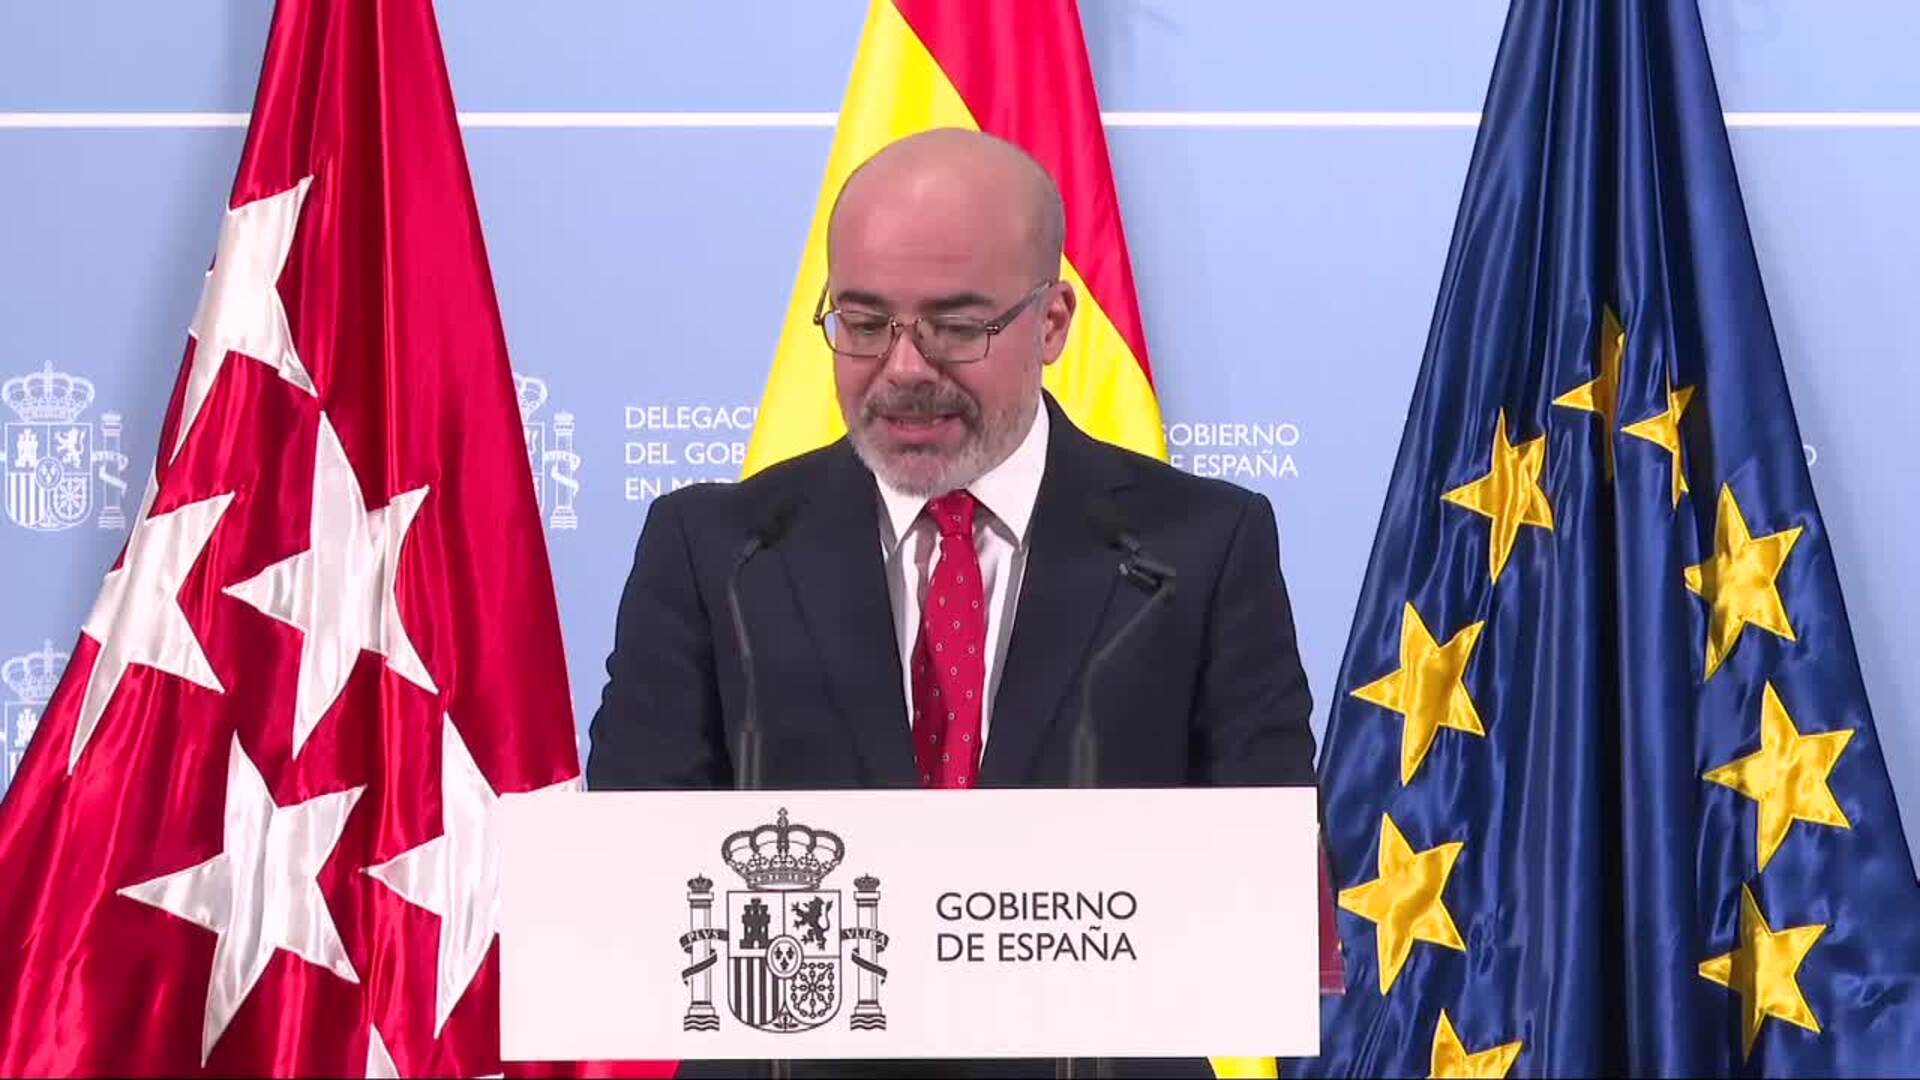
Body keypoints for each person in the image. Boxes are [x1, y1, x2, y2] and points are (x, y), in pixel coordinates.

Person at [588, 129, 1317, 1077]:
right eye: (864, 323)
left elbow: (1266, 895)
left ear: (1051, 322)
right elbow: (635, 895)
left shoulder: (1202, 548)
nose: (904, 369)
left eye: (956, 326)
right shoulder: (714, 551)